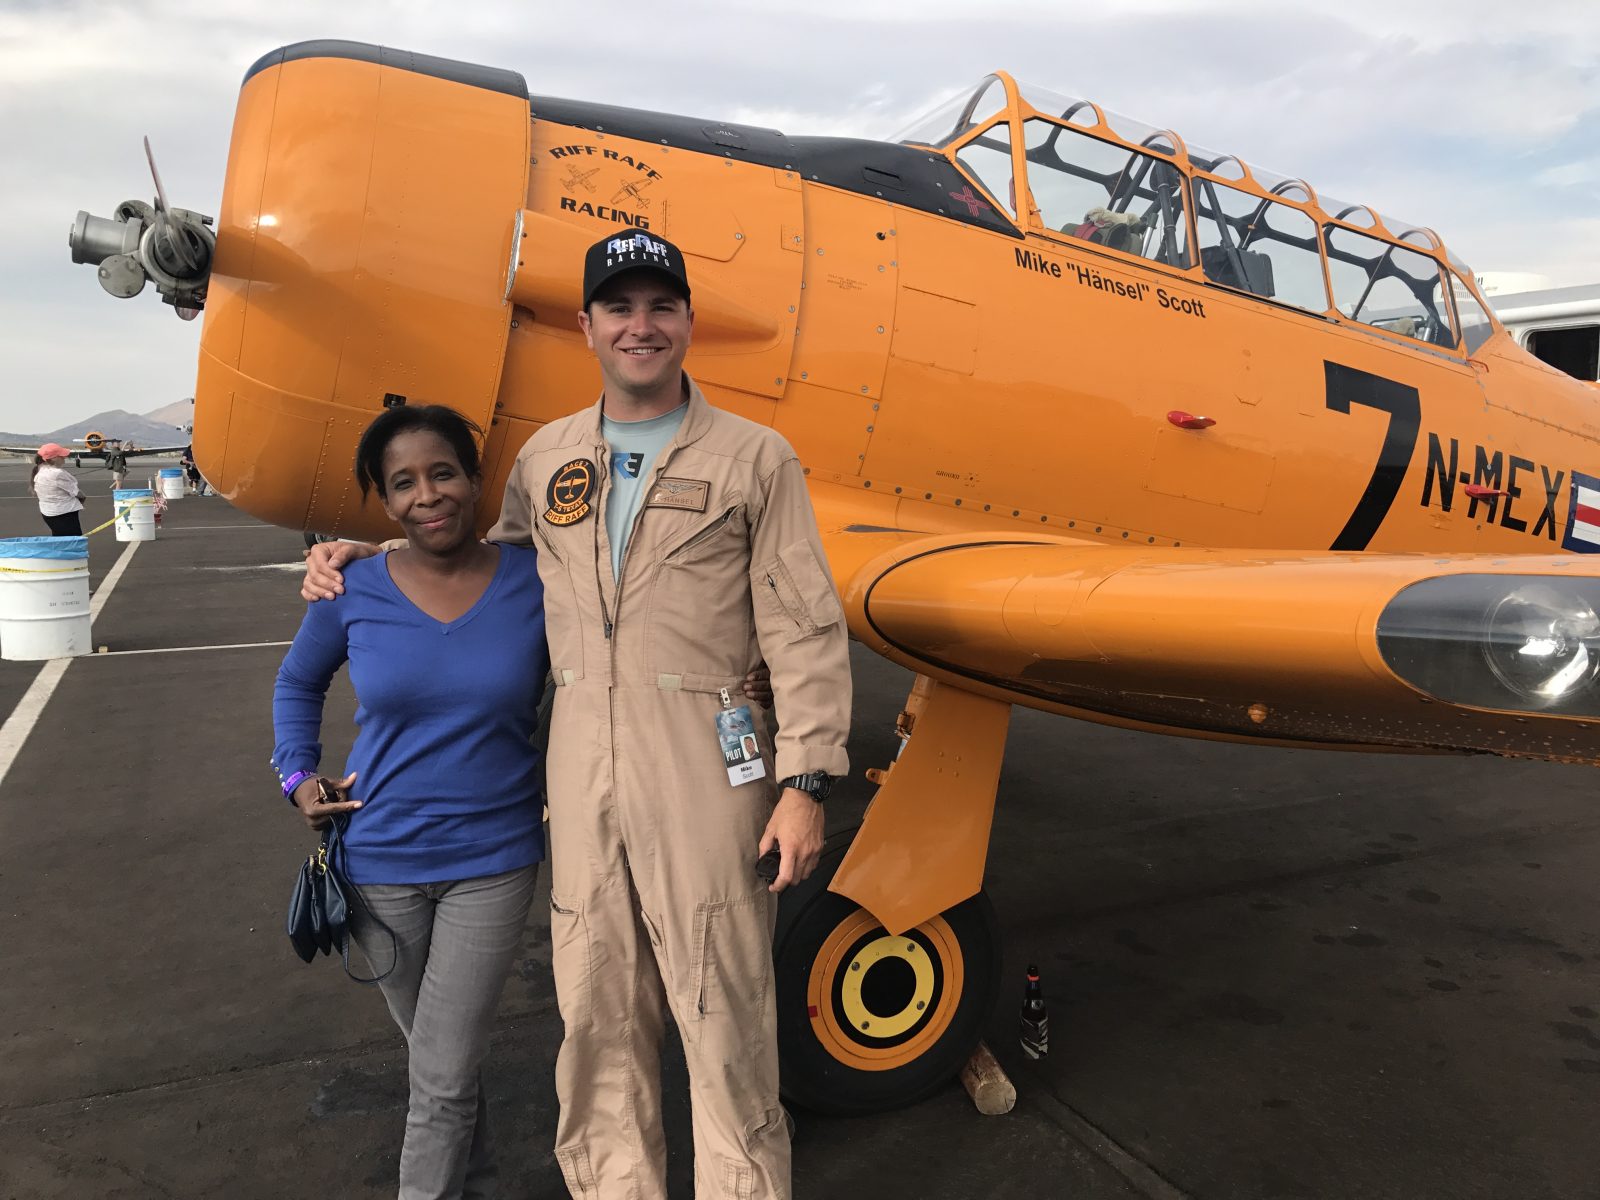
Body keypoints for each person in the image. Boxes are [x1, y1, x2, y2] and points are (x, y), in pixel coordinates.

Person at [304, 230, 853, 1199]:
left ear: (687, 322)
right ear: (585, 326)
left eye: (660, 307)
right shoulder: (544, 461)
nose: (640, 326)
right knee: (596, 1008)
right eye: (619, 308)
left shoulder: (754, 459)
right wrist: (367, 552)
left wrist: (804, 781)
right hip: (578, 767)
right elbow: (484, 572)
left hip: (707, 758)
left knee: (722, 1008)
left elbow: (804, 627)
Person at [272, 404, 550, 1199]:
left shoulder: (535, 581)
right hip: (378, 865)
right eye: (404, 484)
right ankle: (480, 1180)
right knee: (442, 1062)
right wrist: (298, 778)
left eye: (443, 473)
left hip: (491, 866)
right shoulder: (352, 588)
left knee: (439, 1073)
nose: (428, 495)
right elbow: (298, 682)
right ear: (385, 503)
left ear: (473, 480)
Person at [30, 443, 85, 536]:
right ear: (53, 459)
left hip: (48, 513)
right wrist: (82, 499)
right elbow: (77, 493)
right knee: (72, 542)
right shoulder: (57, 473)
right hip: (64, 514)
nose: (64, 458)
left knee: (59, 540)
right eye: (61, 456)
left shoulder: (40, 470)